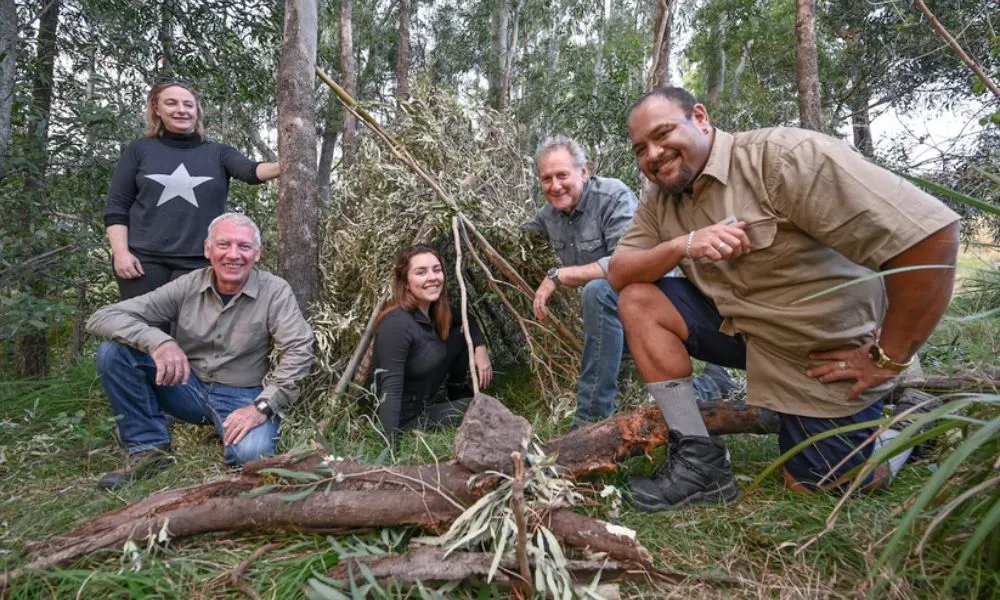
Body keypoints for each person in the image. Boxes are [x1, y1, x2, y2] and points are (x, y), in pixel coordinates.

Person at [608, 86, 960, 511]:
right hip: (745, 333)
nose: (654, 154)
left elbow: (932, 236)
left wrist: (890, 356)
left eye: (663, 134)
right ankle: (701, 463)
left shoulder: (783, 158)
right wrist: (683, 245)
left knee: (821, 485)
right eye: (640, 148)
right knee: (639, 298)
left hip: (817, 352)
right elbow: (619, 272)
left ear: (699, 117)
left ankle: (910, 423)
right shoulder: (660, 199)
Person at [87, 213, 314, 490]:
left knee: (253, 456)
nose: (234, 255)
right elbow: (103, 317)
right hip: (184, 386)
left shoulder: (275, 291)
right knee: (113, 353)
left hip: (242, 395)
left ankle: (229, 429)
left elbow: (299, 348)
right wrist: (159, 342)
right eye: (223, 244)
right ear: (208, 249)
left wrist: (262, 407)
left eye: (244, 247)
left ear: (257, 254)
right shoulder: (188, 285)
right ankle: (149, 449)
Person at [524, 136, 735, 428]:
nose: (555, 185)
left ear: (583, 172)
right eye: (546, 179)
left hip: (651, 299)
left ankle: (590, 420)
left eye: (562, 175)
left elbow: (626, 263)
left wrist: (559, 276)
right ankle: (712, 383)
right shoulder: (548, 216)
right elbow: (518, 242)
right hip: (609, 318)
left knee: (597, 291)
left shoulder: (613, 197)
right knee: (642, 397)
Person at [103, 78, 281, 300]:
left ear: (197, 112)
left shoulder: (218, 153)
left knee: (193, 332)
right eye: (171, 103)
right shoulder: (139, 150)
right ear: (157, 109)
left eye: (188, 105)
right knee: (145, 332)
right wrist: (121, 254)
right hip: (142, 261)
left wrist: (290, 165)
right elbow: (116, 207)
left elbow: (252, 171)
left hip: (199, 262)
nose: (181, 110)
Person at [373, 245, 493, 447]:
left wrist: (480, 349)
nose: (432, 277)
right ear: (406, 283)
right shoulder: (396, 324)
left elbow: (467, 318)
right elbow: (390, 390)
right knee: (486, 409)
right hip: (408, 418)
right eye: (421, 272)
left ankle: (456, 390)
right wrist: (389, 448)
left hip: (424, 399)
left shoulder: (434, 310)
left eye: (436, 270)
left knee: (460, 334)